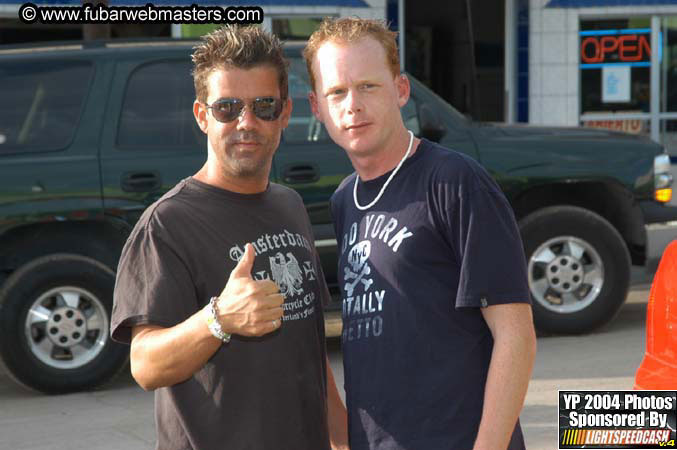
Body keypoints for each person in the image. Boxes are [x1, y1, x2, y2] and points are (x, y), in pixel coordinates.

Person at [111, 25, 348, 450]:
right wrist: (218, 319)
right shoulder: (167, 223)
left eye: (263, 106)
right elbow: (144, 364)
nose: (246, 123)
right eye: (227, 108)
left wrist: (344, 438)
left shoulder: (290, 205)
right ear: (202, 116)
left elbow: (309, 348)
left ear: (285, 113)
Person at [304, 17, 537, 450]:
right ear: (317, 107)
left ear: (401, 90)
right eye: (337, 92)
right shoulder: (344, 200)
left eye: (368, 86)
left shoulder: (455, 182)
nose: (352, 105)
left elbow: (516, 336)